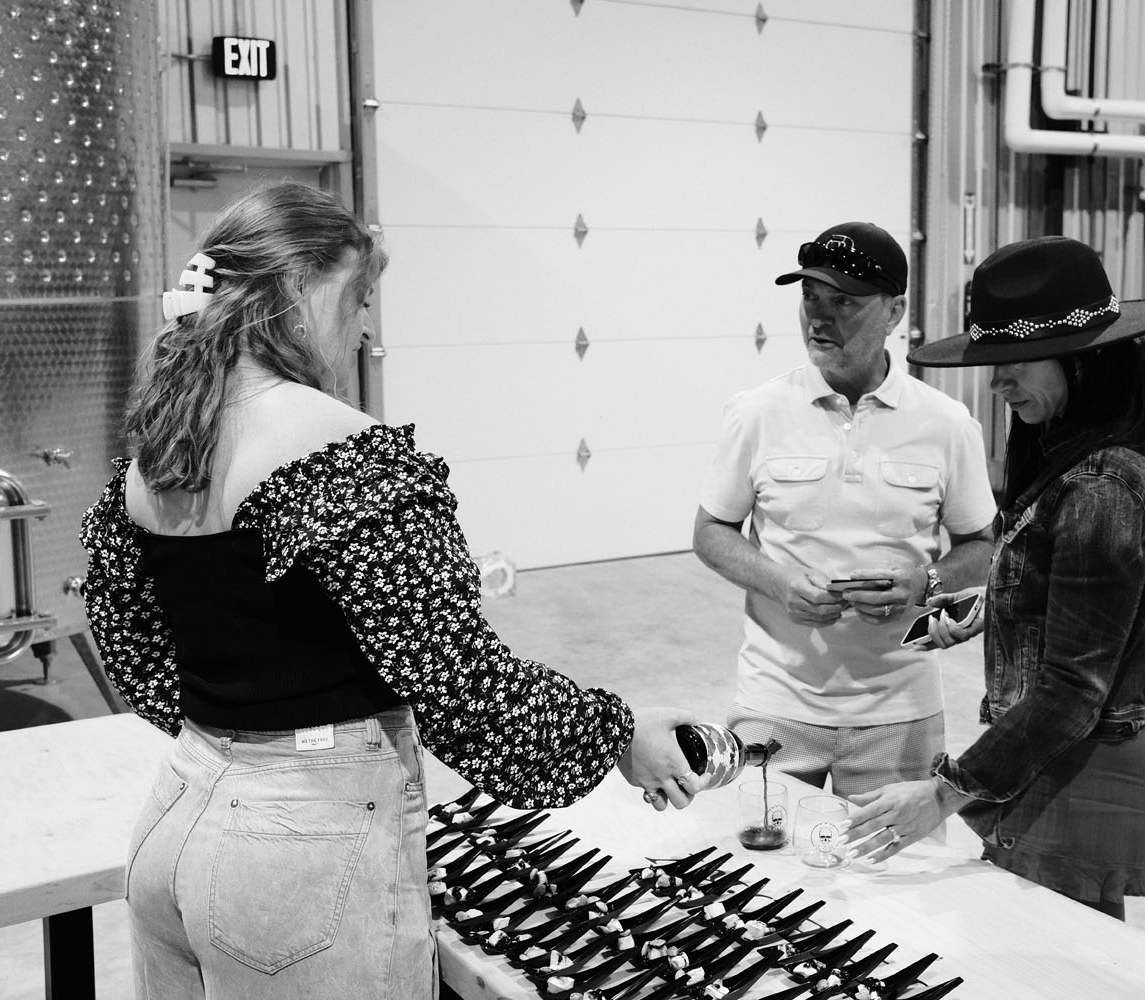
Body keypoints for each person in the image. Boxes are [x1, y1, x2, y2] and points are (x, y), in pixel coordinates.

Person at [79, 182, 698, 999]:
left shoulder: (160, 448)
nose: (365, 327)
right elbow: (462, 688)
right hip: (299, 858)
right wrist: (616, 733)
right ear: (299, 288)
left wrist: (240, 737)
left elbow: (136, 656)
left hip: (177, 820)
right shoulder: (340, 451)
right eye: (359, 297)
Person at [847, 235, 1145, 921]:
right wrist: (976, 610)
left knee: (1046, 962)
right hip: (1075, 754)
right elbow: (1089, 605)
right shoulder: (1102, 456)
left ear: (1083, 357)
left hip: (1084, 766)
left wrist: (940, 795)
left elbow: (1073, 688)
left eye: (1014, 363)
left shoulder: (1102, 486)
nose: (998, 384)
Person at [692, 222, 997, 801]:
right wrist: (780, 583)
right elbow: (711, 532)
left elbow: (982, 545)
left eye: (844, 302)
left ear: (894, 311)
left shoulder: (946, 424)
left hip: (902, 711)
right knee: (763, 856)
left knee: (891, 863)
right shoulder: (757, 413)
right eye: (810, 298)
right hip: (774, 703)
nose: (819, 317)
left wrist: (923, 583)